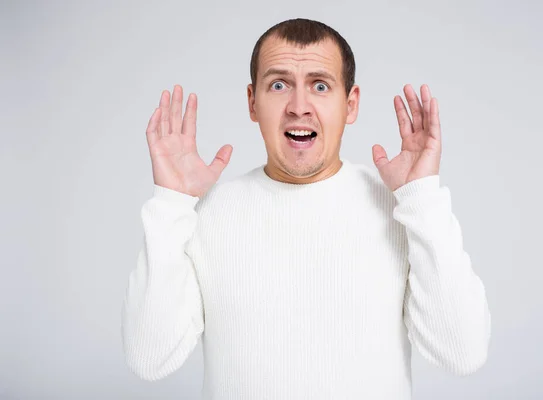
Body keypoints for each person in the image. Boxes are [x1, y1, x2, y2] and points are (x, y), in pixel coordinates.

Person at [121, 17, 491, 399]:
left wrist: (422, 197)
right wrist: (171, 203)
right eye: (279, 85)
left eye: (320, 85)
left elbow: (462, 353)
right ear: (252, 102)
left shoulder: (402, 210)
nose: (299, 107)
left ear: (350, 104)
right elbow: (150, 359)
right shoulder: (205, 214)